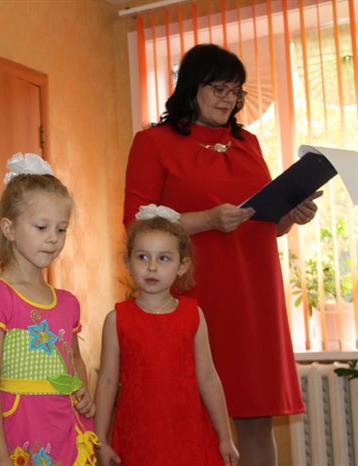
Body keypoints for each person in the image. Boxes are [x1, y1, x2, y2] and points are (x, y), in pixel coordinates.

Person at [123, 44, 319, 466]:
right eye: (218, 88)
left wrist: (291, 216)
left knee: (256, 418)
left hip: (255, 295)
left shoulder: (249, 143)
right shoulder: (153, 142)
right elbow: (136, 223)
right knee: (192, 416)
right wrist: (207, 220)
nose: (228, 98)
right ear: (192, 87)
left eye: (236, 90)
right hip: (195, 294)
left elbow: (263, 224)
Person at [0, 153, 99, 466]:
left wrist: (84, 392)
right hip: (23, 434)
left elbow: (74, 360)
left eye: (61, 229)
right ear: (9, 228)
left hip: (67, 431)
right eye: (41, 227)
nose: (53, 239)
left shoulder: (67, 302)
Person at [95, 204, 239, 466]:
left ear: (182, 265)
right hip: (138, 438)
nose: (152, 267)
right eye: (142, 257)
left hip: (189, 436)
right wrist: (100, 440)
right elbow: (106, 382)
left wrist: (225, 437)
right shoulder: (116, 319)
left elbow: (208, 379)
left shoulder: (193, 315)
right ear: (127, 262)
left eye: (163, 258)